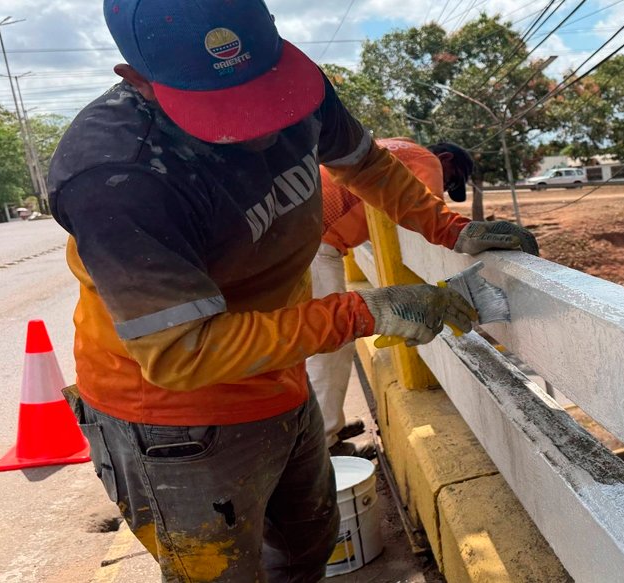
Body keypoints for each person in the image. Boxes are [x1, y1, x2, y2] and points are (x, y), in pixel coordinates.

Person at [48, 0, 537, 581]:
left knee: (308, 548)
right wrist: (365, 311)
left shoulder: (292, 85)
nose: (260, 130)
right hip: (174, 419)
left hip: (276, 369)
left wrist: (451, 227)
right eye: (222, 108)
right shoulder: (116, 176)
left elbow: (367, 164)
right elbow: (181, 351)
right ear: (138, 81)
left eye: (263, 92)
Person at [313, 139, 479, 457]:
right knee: (329, 344)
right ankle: (323, 442)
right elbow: (429, 216)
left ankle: (322, 427)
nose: (446, 186)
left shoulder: (396, 149)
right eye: (451, 179)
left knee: (326, 342)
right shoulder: (427, 160)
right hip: (315, 243)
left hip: (306, 235)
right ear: (443, 158)